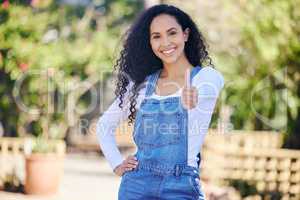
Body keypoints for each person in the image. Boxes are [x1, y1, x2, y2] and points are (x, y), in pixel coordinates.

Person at [96, 4, 224, 200]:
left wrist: (194, 97)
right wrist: (117, 165)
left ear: (186, 34)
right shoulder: (141, 85)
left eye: (172, 33)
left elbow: (206, 92)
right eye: (156, 36)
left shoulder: (206, 78)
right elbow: (104, 125)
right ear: (149, 42)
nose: (165, 42)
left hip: (181, 186)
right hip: (136, 186)